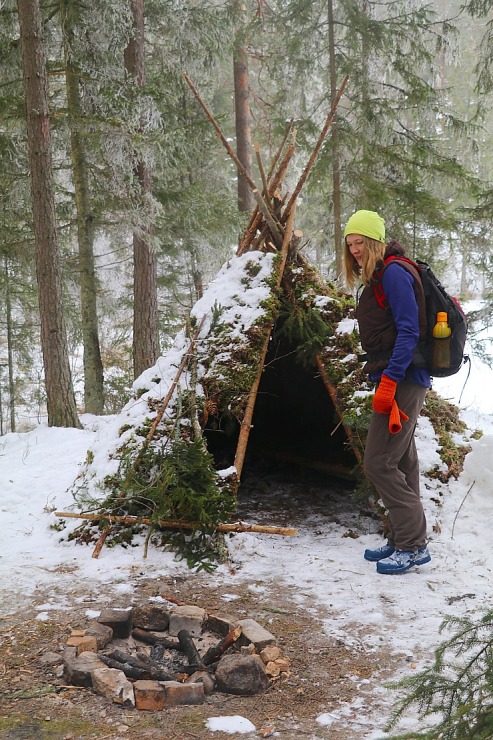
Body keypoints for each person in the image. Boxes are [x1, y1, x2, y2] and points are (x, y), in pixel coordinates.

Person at [343, 209, 431, 575]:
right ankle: (401, 538)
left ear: (375, 241)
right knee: (403, 461)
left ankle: (413, 545)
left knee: (378, 462)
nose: (354, 250)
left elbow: (409, 331)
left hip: (405, 378)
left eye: (360, 242)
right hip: (399, 377)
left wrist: (392, 379)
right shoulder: (381, 275)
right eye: (349, 245)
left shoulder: (393, 273)